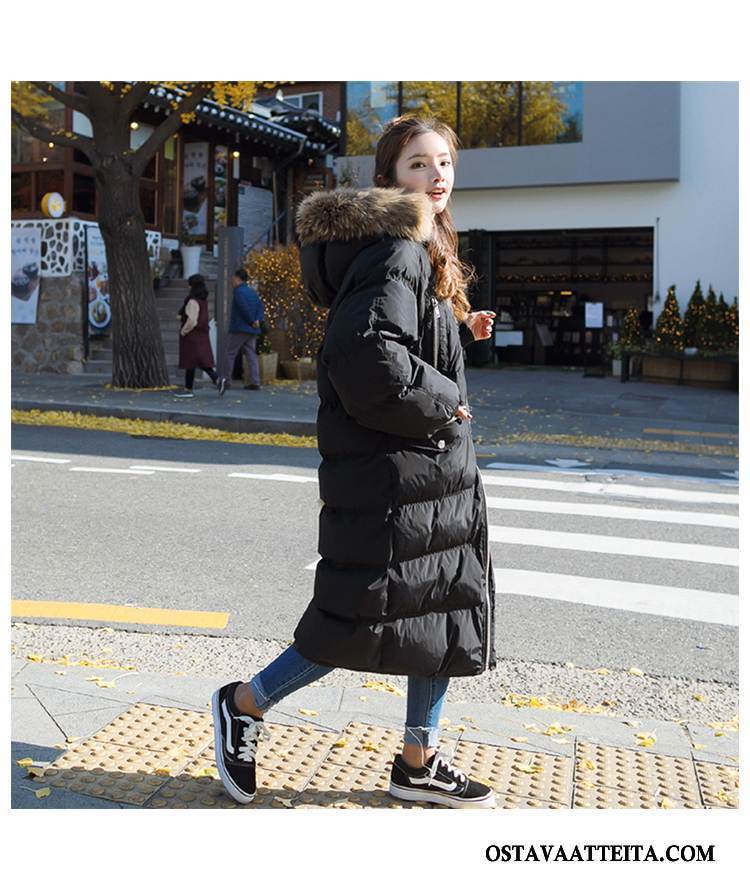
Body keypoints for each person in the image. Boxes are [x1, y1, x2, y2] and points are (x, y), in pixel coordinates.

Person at [211, 114, 498, 809]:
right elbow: (363, 353)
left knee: (436, 612)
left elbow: (393, 332)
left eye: (444, 162)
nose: (436, 176)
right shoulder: (397, 247)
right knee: (355, 616)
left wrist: (456, 328)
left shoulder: (415, 245)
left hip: (421, 469)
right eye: (418, 164)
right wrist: (446, 399)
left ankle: (418, 761)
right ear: (388, 177)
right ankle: (244, 703)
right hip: (394, 472)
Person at [218, 269, 264, 394]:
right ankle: (255, 381)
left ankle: (226, 380)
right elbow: (260, 306)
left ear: (238, 278)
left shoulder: (238, 292)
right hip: (253, 329)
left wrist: (251, 321)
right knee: (251, 354)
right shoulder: (252, 292)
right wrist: (257, 320)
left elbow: (244, 308)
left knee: (229, 353)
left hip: (240, 328)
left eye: (233, 278)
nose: (231, 280)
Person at [175, 274, 220, 398]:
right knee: (200, 362)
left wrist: (183, 331)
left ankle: (188, 389)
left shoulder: (192, 301)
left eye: (189, 285)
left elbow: (192, 321)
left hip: (192, 336)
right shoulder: (203, 301)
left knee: (191, 362)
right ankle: (216, 380)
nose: (188, 287)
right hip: (201, 335)